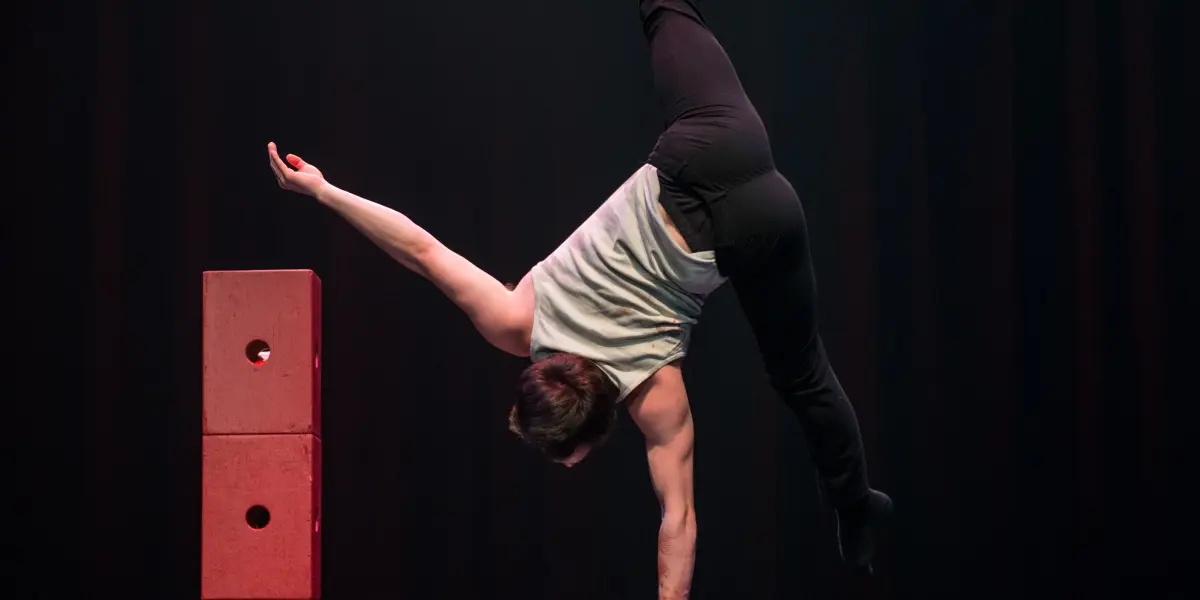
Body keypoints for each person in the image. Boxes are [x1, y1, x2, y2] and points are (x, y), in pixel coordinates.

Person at [267, 1, 891, 595]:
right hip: (703, 149)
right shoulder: (516, 321)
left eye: (572, 457)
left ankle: (854, 507)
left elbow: (678, 520)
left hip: (755, 225)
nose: (569, 467)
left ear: (598, 428)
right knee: (664, 11)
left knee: (804, 378)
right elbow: (423, 252)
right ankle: (856, 506)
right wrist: (325, 191)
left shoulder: (655, 396)